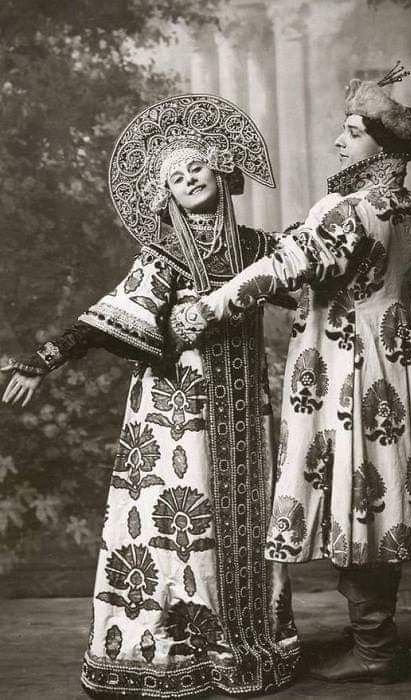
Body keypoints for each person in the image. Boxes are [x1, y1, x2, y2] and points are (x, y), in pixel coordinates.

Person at [1, 95, 300, 697]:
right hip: (177, 403)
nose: (188, 179)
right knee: (184, 510)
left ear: (222, 172)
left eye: (196, 166)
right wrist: (43, 360)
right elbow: (110, 316)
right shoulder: (162, 253)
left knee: (247, 508)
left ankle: (247, 640)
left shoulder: (258, 245)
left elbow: (309, 281)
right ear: (164, 196)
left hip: (244, 400)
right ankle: (176, 648)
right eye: (174, 176)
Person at [169, 68, 411, 684]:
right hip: (396, 356)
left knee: (357, 491)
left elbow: (289, 265)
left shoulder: (352, 209)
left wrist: (212, 304)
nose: (340, 142)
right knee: (378, 493)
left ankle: (375, 651)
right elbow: (342, 271)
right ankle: (375, 638)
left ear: (383, 146)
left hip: (347, 361)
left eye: (353, 132)